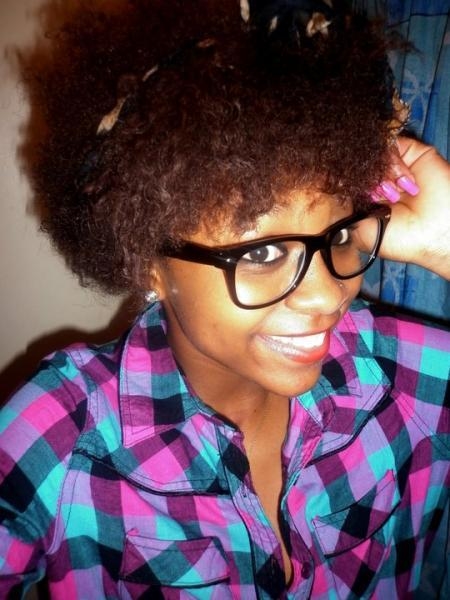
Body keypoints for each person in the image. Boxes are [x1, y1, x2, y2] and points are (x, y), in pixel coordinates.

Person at [0, 1, 449, 598]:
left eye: (339, 236)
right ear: (148, 261)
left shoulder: (397, 376)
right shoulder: (65, 441)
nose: (327, 295)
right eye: (262, 254)